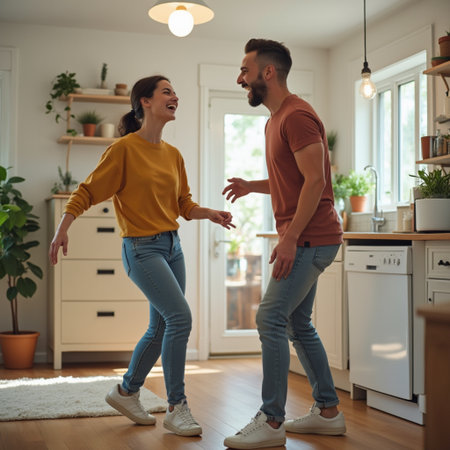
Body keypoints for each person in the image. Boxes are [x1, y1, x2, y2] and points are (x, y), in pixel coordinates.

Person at [49, 75, 234, 437]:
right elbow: (87, 191)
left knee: (162, 324)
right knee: (180, 318)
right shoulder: (123, 150)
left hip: (172, 246)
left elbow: (183, 204)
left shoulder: (173, 154)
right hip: (141, 248)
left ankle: (126, 391)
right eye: (167, 91)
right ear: (144, 102)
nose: (175, 97)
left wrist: (208, 212)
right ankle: (178, 407)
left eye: (175, 92)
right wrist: (62, 228)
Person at [222, 39, 346, 449]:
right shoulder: (274, 119)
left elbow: (316, 181)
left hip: (312, 237)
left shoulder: (297, 115)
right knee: (297, 323)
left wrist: (290, 238)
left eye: (245, 70)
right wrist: (250, 186)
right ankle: (328, 411)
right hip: (308, 236)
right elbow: (290, 177)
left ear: (267, 73)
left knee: (269, 318)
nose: (241, 78)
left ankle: (272, 421)